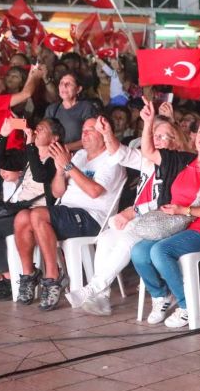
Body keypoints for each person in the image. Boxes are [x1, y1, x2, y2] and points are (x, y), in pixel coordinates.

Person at [65, 114, 189, 315]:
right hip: (143, 221)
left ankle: (93, 288)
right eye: (154, 135)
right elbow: (121, 153)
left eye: (162, 136)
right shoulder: (148, 162)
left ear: (175, 143)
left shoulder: (178, 164)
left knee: (127, 240)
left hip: (166, 221)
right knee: (106, 237)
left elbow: (164, 202)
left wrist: (132, 212)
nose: (155, 139)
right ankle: (102, 297)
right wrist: (106, 133)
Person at [130, 98, 200, 328]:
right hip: (173, 225)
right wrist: (148, 122)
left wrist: (185, 210)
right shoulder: (183, 160)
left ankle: (189, 305)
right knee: (138, 251)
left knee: (160, 251)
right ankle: (161, 295)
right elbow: (148, 151)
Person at [14, 117, 125, 311]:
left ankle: (53, 276)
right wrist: (59, 171)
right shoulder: (80, 155)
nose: (84, 134)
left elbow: (94, 192)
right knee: (22, 216)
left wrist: (69, 167)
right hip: (66, 210)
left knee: (37, 215)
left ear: (105, 134)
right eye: (83, 130)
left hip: (92, 217)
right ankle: (29, 274)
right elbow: (57, 192)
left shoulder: (111, 159)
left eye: (91, 130)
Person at [0, 118, 64, 300]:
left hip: (37, 212)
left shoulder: (55, 158)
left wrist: (30, 146)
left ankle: (9, 279)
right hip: (18, 208)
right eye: (36, 128)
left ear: (54, 138)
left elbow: (40, 175)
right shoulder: (29, 154)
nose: (36, 131)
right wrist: (4, 134)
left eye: (41, 129)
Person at [44, 72, 98, 152]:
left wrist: (64, 148)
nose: (64, 86)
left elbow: (92, 137)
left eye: (69, 84)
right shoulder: (52, 109)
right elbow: (43, 133)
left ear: (78, 89)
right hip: (54, 156)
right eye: (61, 83)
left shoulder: (86, 107)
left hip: (80, 157)